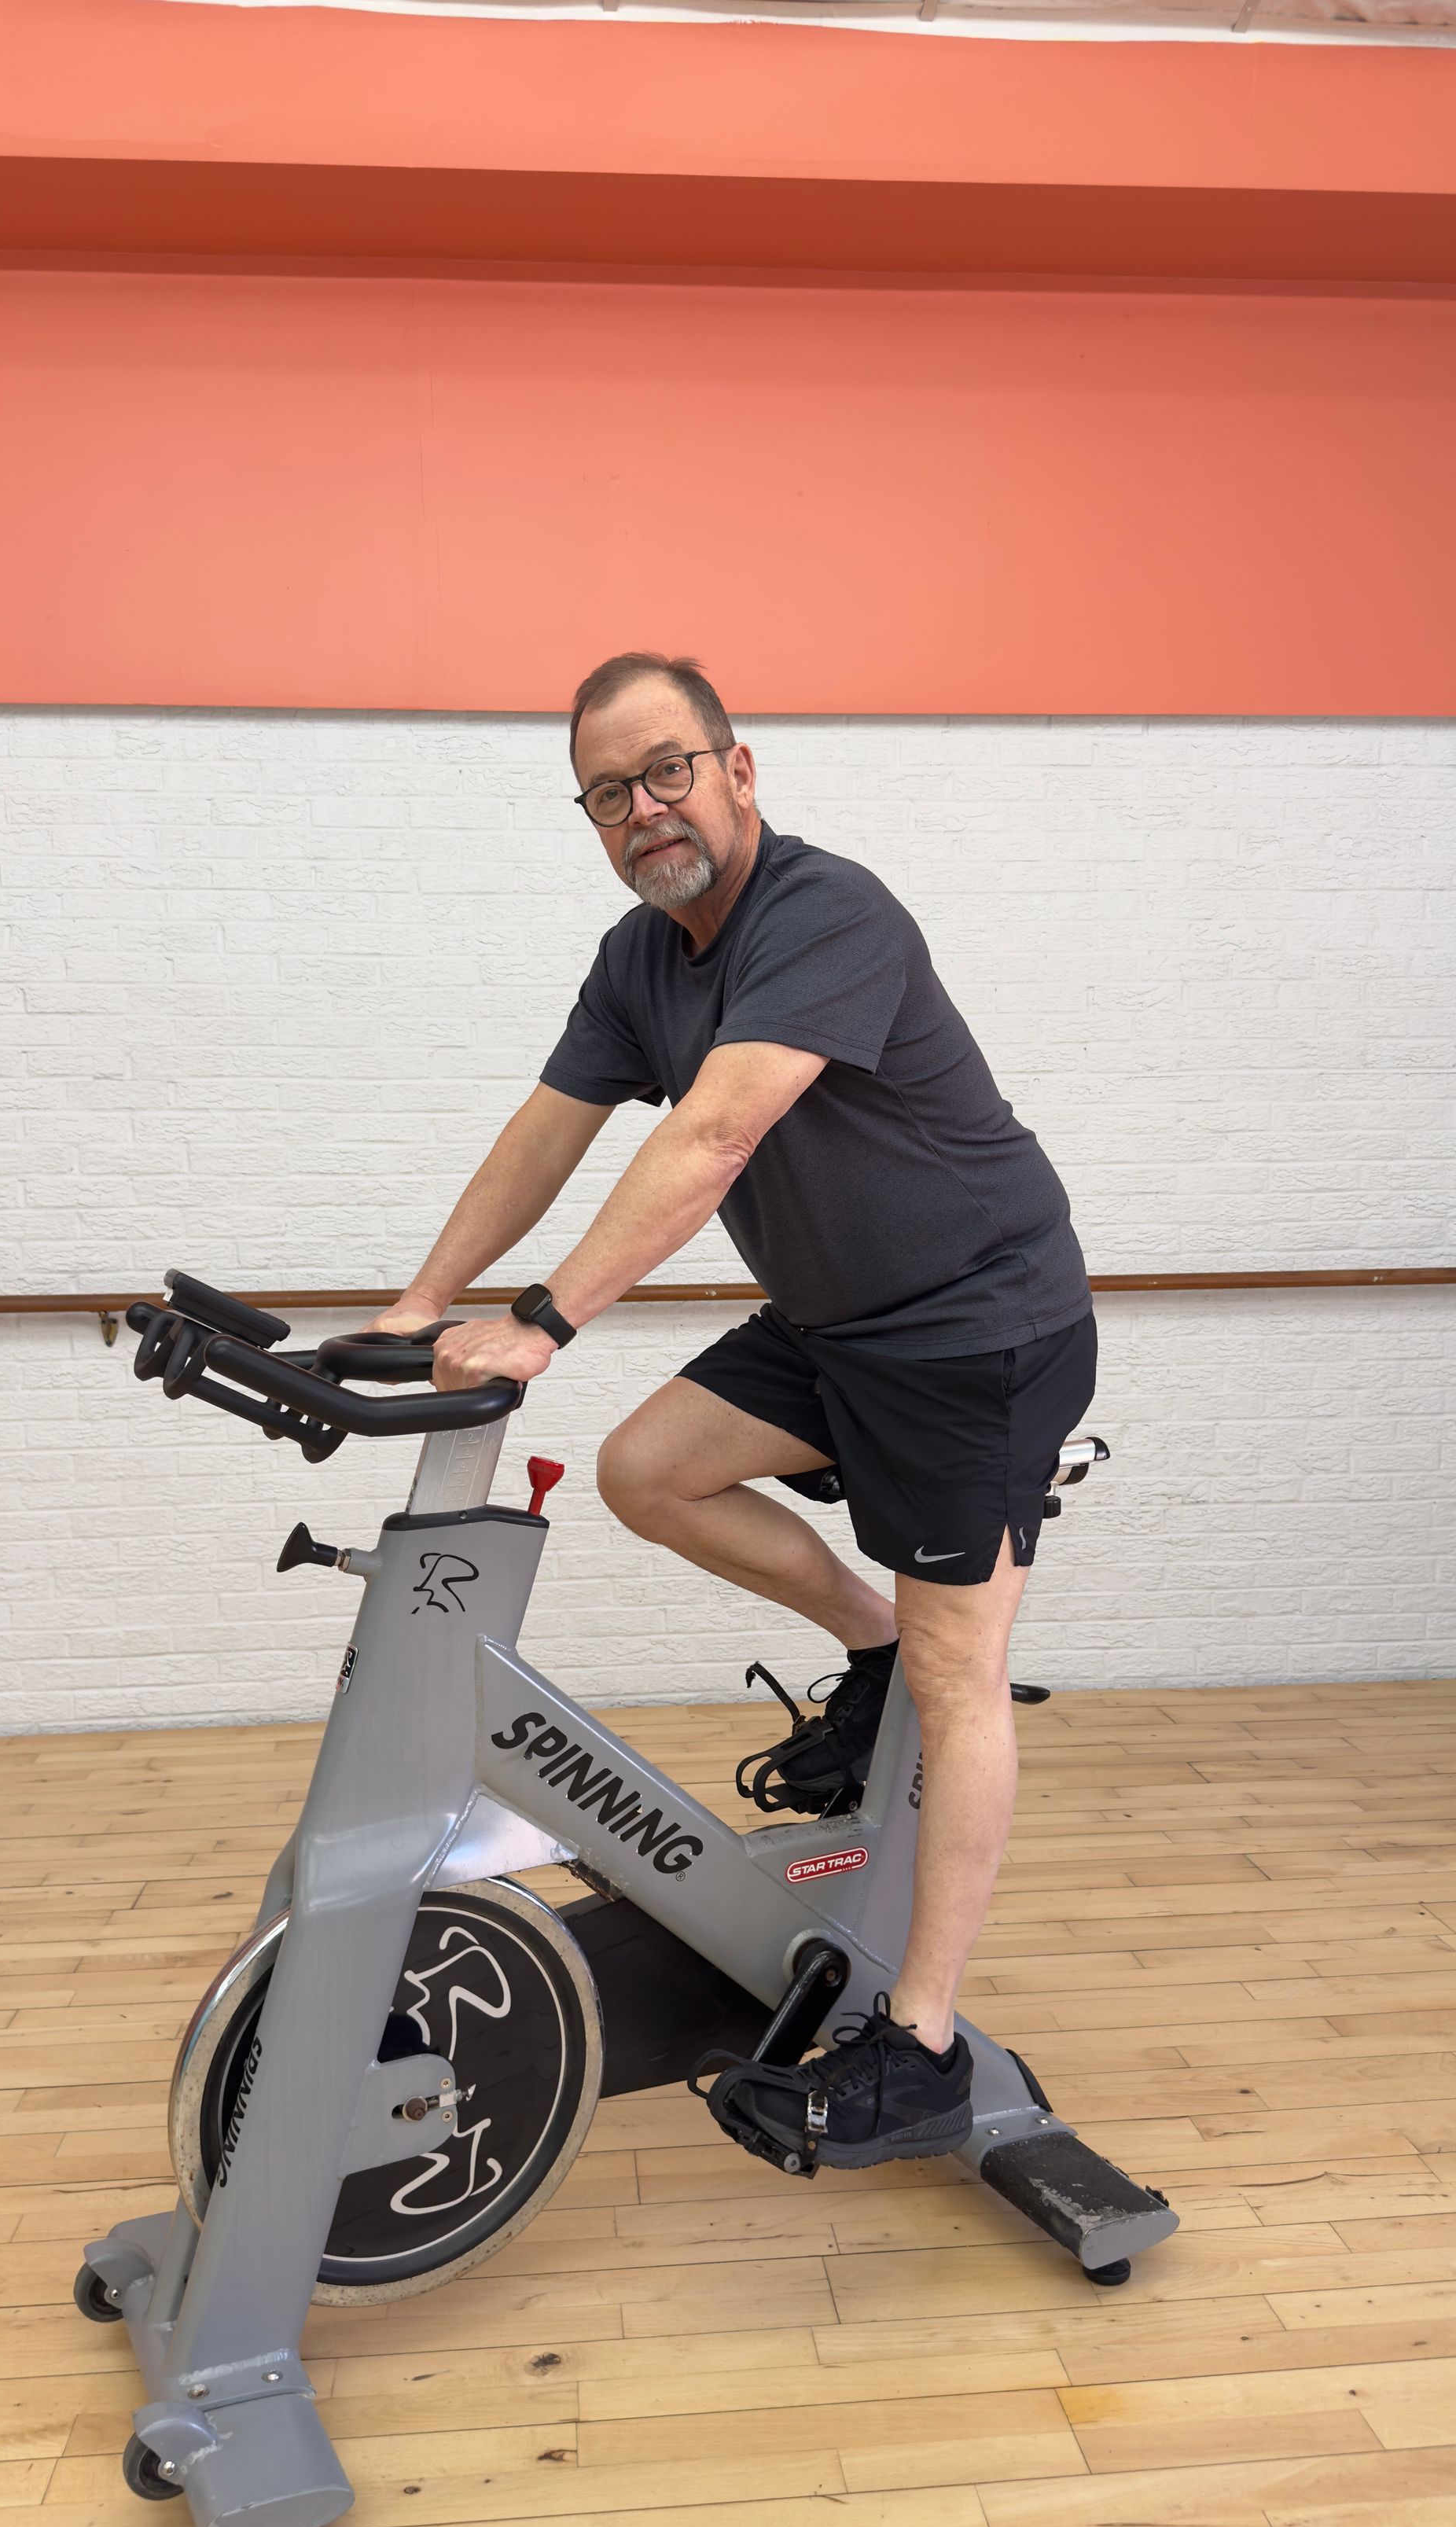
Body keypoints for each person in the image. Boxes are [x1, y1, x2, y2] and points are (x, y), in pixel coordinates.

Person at [373, 652, 1096, 2169]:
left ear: (737, 767)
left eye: (667, 771)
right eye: (608, 795)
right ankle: (868, 1637)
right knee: (651, 1471)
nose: (645, 811)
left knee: (964, 1678)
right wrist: (421, 1300)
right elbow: (546, 1129)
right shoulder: (639, 958)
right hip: (834, 1323)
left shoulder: (826, 914)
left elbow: (712, 1137)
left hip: (980, 1327)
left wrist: (546, 1321)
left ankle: (923, 2042)